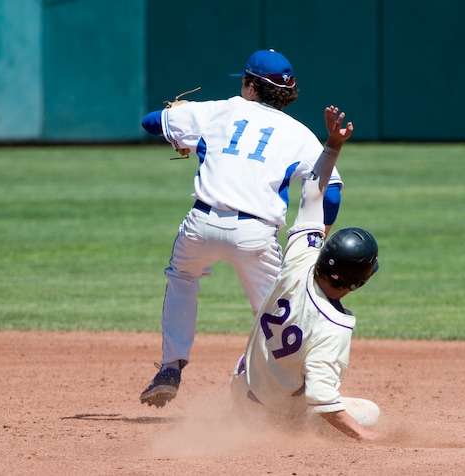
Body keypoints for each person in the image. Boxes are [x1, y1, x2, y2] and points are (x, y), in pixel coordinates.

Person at [139, 49, 344, 408]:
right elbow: (332, 194)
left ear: (250, 85)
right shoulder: (300, 134)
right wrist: (322, 230)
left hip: (201, 224)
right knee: (275, 313)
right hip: (255, 235)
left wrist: (178, 127)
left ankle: (171, 367)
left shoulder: (220, 109)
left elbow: (150, 121)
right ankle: (289, 388)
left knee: (182, 277)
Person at [229, 105, 383, 441]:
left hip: (241, 388)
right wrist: (366, 438)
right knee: (369, 413)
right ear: (355, 283)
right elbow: (323, 400)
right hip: (270, 423)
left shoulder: (301, 258)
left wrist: (333, 145)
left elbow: (313, 190)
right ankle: (287, 428)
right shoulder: (334, 326)